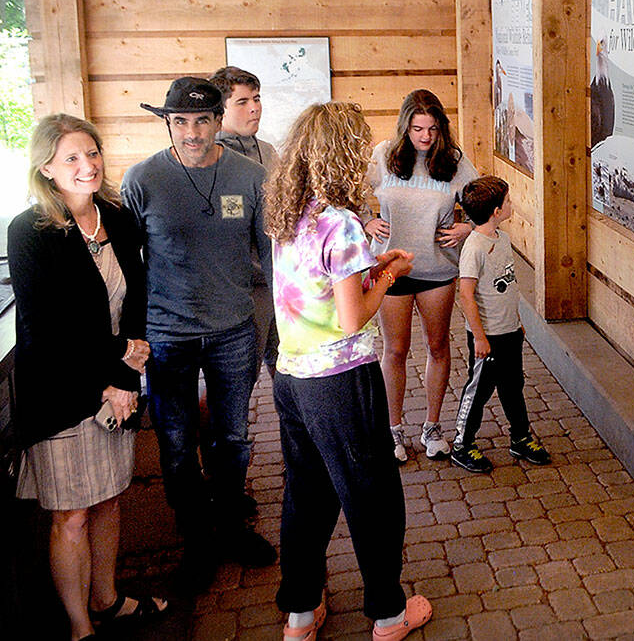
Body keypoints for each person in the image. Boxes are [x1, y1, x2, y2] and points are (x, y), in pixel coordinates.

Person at [264, 102, 430, 641]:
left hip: (292, 377)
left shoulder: (288, 213)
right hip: (341, 380)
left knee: (306, 494)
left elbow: (318, 292)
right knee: (371, 494)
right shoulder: (342, 222)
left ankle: (301, 613)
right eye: (360, 145)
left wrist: (375, 270)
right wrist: (392, 274)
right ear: (346, 152)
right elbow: (352, 315)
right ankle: (387, 614)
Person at [10, 115, 168, 640]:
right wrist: (116, 365)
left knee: (108, 498)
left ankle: (107, 598)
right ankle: (81, 627)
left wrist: (128, 372)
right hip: (62, 392)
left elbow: (138, 298)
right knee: (71, 515)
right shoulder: (29, 231)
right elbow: (46, 328)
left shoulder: (117, 219)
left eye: (92, 153)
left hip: (118, 384)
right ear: (46, 168)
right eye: (72, 158)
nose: (87, 166)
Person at [121, 77, 276, 592]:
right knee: (177, 445)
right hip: (167, 337)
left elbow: (272, 257)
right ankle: (197, 542)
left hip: (234, 329)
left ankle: (232, 527)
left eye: (202, 120)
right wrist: (130, 340)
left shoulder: (251, 177)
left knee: (232, 440)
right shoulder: (142, 180)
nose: (192, 133)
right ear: (167, 122)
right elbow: (128, 266)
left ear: (217, 121)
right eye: (180, 122)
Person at [364, 90, 476, 463]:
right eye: (416, 128)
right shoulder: (383, 155)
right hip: (392, 269)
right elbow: (349, 193)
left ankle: (432, 426)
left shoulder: (455, 162)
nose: (424, 137)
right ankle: (393, 429)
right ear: (404, 127)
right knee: (394, 350)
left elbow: (489, 202)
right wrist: (366, 219)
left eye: (431, 129)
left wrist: (468, 229)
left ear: (441, 129)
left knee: (438, 346)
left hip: (438, 269)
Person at [449, 175, 551, 474]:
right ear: (496, 211)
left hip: (509, 333)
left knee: (513, 386)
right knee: (478, 390)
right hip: (488, 337)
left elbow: (507, 287)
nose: (511, 205)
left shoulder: (502, 239)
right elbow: (466, 295)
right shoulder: (475, 247)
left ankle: (520, 437)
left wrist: (517, 323)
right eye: (507, 201)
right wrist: (479, 338)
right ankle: (462, 444)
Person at [210, 66, 280, 376]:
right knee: (239, 382)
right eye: (242, 102)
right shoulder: (211, 159)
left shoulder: (269, 152)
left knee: (293, 375)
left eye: (257, 98)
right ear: (219, 111)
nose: (254, 107)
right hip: (241, 294)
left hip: (282, 284)